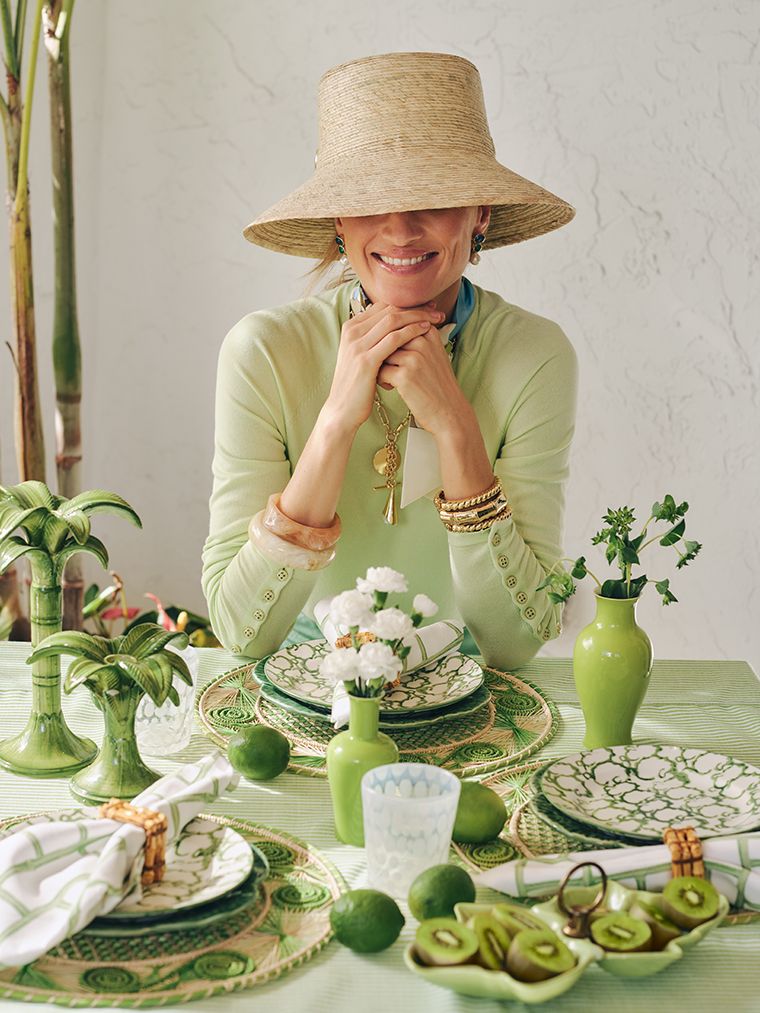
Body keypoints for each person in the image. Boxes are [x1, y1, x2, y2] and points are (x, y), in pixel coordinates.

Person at [201, 52, 578, 671]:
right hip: (304, 692)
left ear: (480, 212)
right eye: (369, 201)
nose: (400, 229)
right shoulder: (263, 351)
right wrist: (334, 422)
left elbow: (515, 643)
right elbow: (244, 632)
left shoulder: (534, 356)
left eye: (435, 197)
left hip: (473, 694)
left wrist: (456, 425)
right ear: (338, 223)